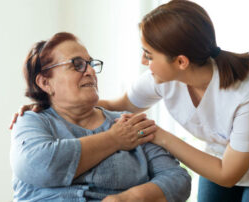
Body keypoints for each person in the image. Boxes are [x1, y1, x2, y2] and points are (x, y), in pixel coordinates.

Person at [10, 0, 249, 201]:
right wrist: (44, 104)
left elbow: (190, 179)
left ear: (181, 61)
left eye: (149, 54)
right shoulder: (36, 124)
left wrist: (134, 193)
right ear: (44, 83)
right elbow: (118, 103)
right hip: (220, 157)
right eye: (77, 64)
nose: (144, 61)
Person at [10, 32, 191, 202]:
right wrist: (114, 139)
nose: (90, 71)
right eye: (77, 64)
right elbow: (41, 166)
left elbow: (178, 179)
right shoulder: (31, 120)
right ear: (45, 82)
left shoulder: (129, 123)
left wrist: (128, 198)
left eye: (90, 63)